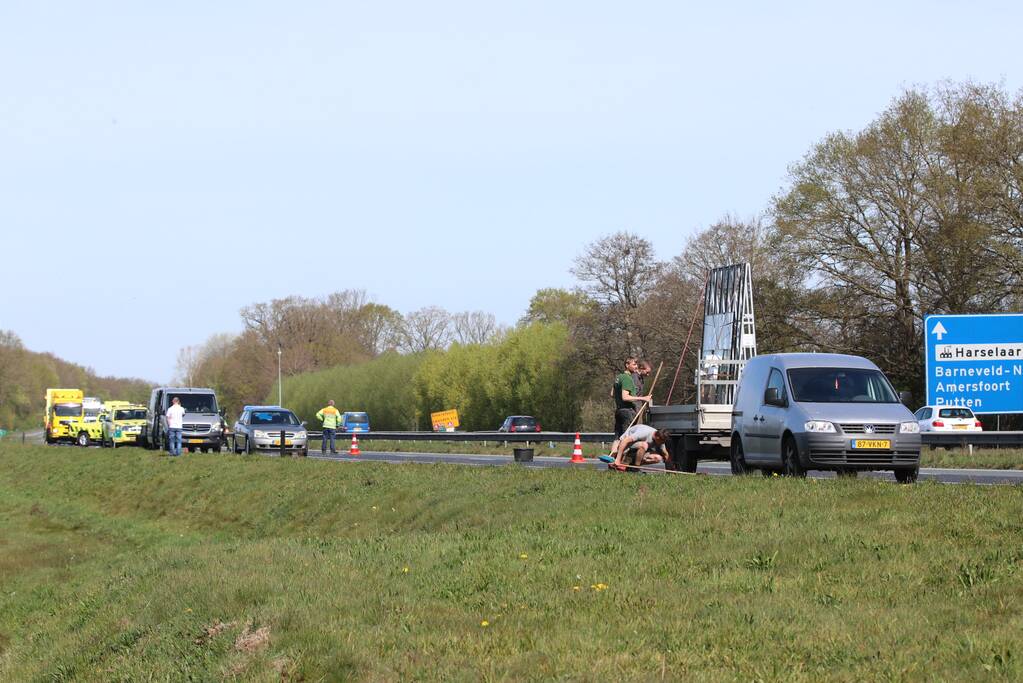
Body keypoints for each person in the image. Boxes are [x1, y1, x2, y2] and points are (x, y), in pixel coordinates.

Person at [613, 357, 651, 438]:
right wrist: (643, 398)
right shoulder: (630, 378)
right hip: (629, 411)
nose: (636, 366)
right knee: (628, 436)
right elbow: (626, 397)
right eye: (634, 364)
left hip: (621, 410)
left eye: (636, 364)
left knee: (618, 438)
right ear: (627, 365)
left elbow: (613, 393)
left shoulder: (619, 377)